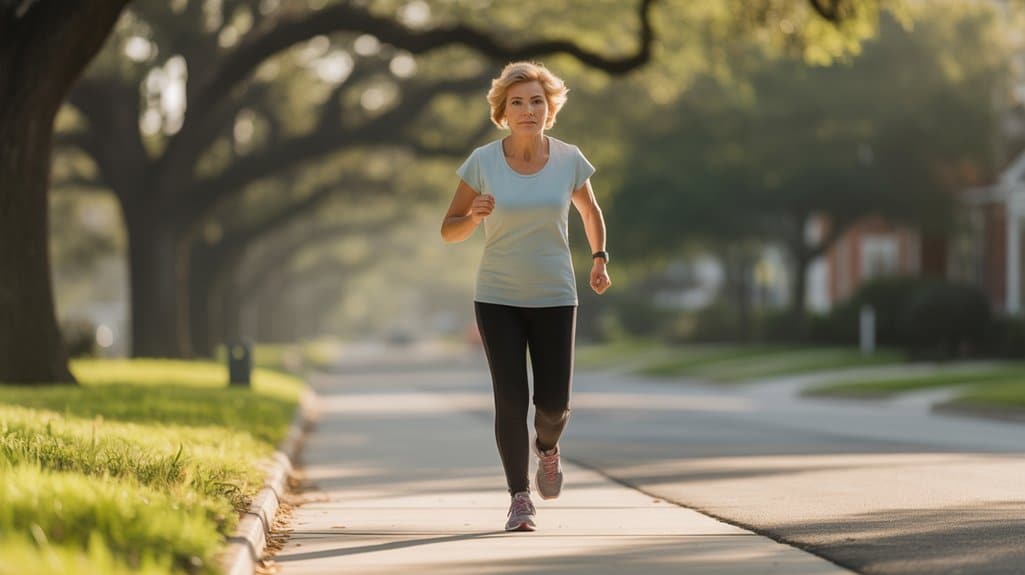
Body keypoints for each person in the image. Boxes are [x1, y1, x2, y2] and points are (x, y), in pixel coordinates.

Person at [440, 61, 611, 532]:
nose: (528, 110)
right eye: (517, 102)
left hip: (556, 295)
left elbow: (590, 211)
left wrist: (599, 258)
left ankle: (548, 448)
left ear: (549, 107)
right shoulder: (483, 162)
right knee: (511, 400)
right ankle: (519, 497)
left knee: (553, 406)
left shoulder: (569, 159)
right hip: (497, 297)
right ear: (503, 111)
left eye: (536, 101)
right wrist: (473, 216)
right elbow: (449, 230)